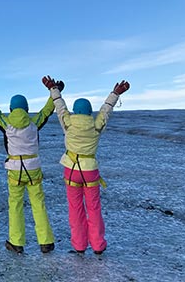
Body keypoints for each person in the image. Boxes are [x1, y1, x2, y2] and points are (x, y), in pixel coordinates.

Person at [0, 78, 57, 254]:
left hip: (15, 170)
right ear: (26, 109)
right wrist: (55, 92)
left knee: (15, 205)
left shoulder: (7, 123)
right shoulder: (34, 123)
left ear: (10, 109)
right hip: (33, 168)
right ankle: (46, 241)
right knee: (38, 204)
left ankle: (16, 242)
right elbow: (47, 110)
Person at [45, 76, 129, 255]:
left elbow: (60, 108)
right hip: (90, 170)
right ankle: (98, 245)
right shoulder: (96, 125)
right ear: (90, 112)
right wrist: (115, 93)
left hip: (71, 169)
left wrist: (53, 89)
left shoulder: (68, 123)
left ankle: (79, 245)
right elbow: (106, 111)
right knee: (94, 208)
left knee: (75, 209)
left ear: (75, 111)